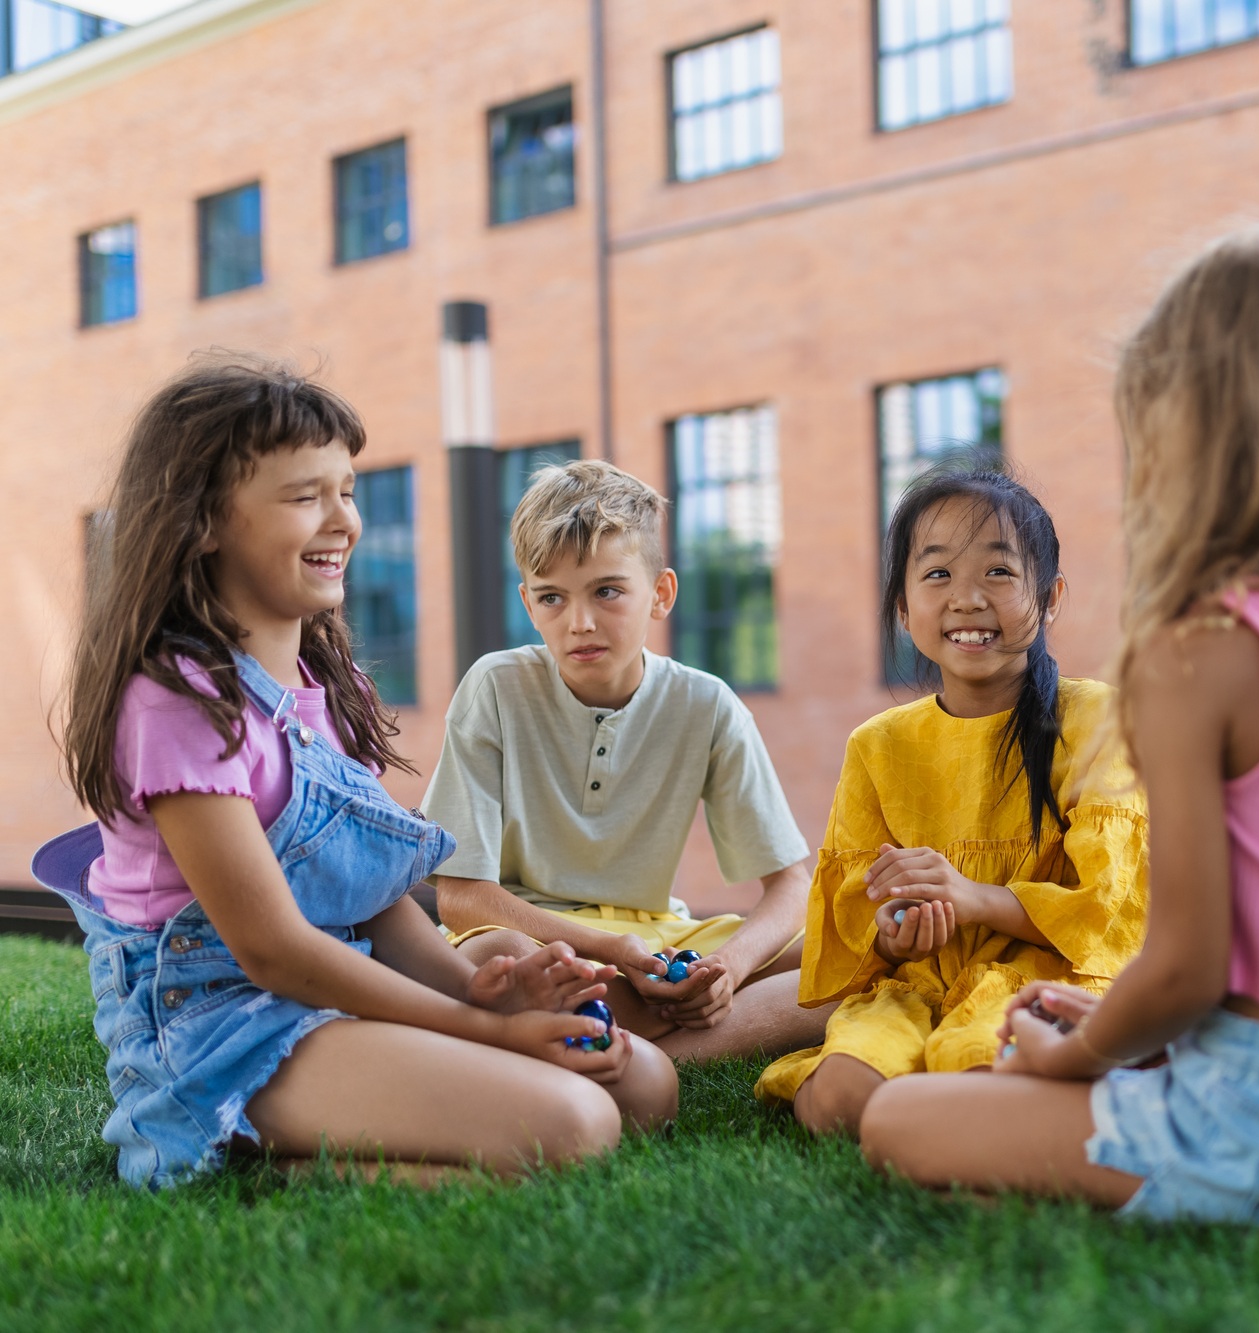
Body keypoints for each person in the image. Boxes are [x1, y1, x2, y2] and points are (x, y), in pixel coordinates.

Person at [860, 230, 1259, 1229]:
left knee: (899, 1119)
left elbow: (1184, 969)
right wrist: (1130, 1031)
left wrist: (1076, 1053)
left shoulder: (1195, 652)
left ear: (1180, 430)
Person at [38, 356, 672, 1191]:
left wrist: (482, 988)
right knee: (575, 1123)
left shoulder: (325, 688)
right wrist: (487, 1033)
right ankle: (236, 1153)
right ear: (202, 522)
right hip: (218, 1023)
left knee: (647, 1088)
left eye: (349, 489)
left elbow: (369, 898)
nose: (345, 520)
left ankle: (333, 1126)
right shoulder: (177, 704)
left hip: (334, 983)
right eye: (307, 496)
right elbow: (272, 950)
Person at [753, 462, 1150, 1137]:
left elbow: (1106, 911)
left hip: (1044, 977)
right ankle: (922, 1105)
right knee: (838, 1099)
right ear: (904, 609)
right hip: (917, 985)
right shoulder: (877, 744)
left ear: (1050, 598)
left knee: (978, 1071)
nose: (966, 598)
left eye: (998, 572)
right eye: (937, 574)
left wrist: (974, 897)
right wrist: (896, 929)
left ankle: (954, 1112)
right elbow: (855, 923)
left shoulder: (1096, 719)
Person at [427, 459, 825, 1062]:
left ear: (661, 594)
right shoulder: (496, 687)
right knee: (495, 958)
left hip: (657, 941)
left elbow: (792, 885)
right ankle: (683, 1040)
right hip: (542, 936)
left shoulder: (707, 703)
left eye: (607, 591)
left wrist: (727, 969)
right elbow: (461, 898)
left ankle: (634, 1032)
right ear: (528, 606)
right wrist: (611, 951)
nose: (579, 622)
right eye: (552, 598)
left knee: (840, 950)